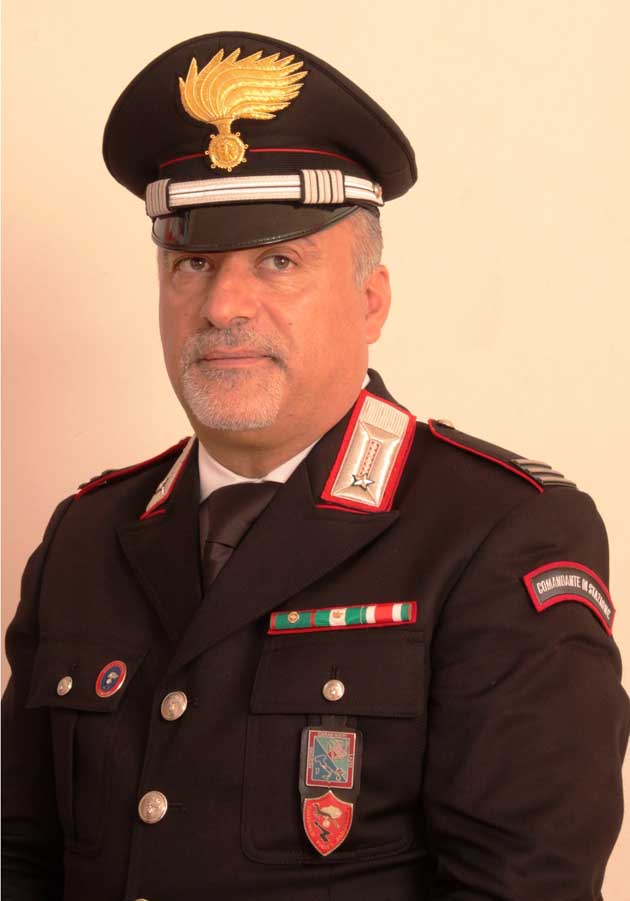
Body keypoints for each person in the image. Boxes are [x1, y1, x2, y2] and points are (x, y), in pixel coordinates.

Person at [2, 30, 628, 901]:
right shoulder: (87, 535)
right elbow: (18, 860)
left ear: (371, 301)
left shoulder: (497, 533)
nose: (222, 305)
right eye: (192, 263)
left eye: (278, 261)